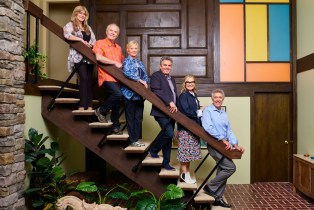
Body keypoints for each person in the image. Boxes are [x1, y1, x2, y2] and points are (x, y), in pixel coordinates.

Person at [201, 88, 245, 208]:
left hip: (224, 145)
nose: (218, 99)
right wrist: (222, 139)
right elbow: (208, 128)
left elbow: (229, 130)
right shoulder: (208, 111)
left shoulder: (224, 113)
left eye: (220, 97)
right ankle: (210, 187)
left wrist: (235, 144)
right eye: (216, 97)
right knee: (230, 168)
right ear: (212, 99)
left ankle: (217, 198)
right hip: (215, 144)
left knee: (222, 170)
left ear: (223, 99)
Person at [93, 23, 124, 134]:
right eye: (111, 30)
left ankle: (115, 125)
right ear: (106, 32)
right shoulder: (100, 43)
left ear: (117, 35)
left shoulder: (119, 48)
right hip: (106, 76)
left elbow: (122, 63)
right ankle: (101, 110)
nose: (112, 33)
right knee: (118, 94)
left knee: (117, 101)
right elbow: (99, 57)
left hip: (117, 79)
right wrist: (115, 62)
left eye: (115, 32)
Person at [63, 5, 96, 111]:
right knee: (83, 78)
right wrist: (81, 41)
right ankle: (82, 105)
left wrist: (90, 45)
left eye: (84, 14)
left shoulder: (88, 28)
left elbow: (94, 41)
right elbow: (67, 35)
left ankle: (89, 105)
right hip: (77, 56)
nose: (82, 15)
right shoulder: (70, 25)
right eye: (80, 13)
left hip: (89, 58)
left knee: (89, 80)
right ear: (76, 14)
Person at [150, 56, 178, 171]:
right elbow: (157, 90)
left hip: (172, 113)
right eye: (165, 65)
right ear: (160, 66)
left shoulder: (172, 79)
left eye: (169, 65)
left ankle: (166, 162)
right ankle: (153, 149)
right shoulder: (156, 76)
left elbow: (174, 95)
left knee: (168, 138)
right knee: (169, 133)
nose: (167, 67)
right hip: (161, 112)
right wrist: (170, 102)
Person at [121, 40, 148, 147]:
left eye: (135, 48)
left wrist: (145, 82)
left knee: (139, 118)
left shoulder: (140, 62)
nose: (134, 50)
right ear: (128, 50)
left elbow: (145, 75)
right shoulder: (126, 61)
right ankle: (132, 140)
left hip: (139, 95)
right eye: (132, 48)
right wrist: (140, 80)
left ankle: (136, 139)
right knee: (130, 118)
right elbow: (127, 73)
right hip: (129, 94)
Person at [176, 75, 202, 184]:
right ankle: (184, 174)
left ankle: (186, 174)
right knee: (185, 153)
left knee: (189, 154)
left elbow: (193, 110)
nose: (190, 83)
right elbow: (186, 112)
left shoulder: (194, 95)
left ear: (194, 83)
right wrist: (200, 111)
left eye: (192, 82)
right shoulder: (183, 96)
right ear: (184, 84)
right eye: (188, 82)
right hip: (186, 129)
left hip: (193, 128)